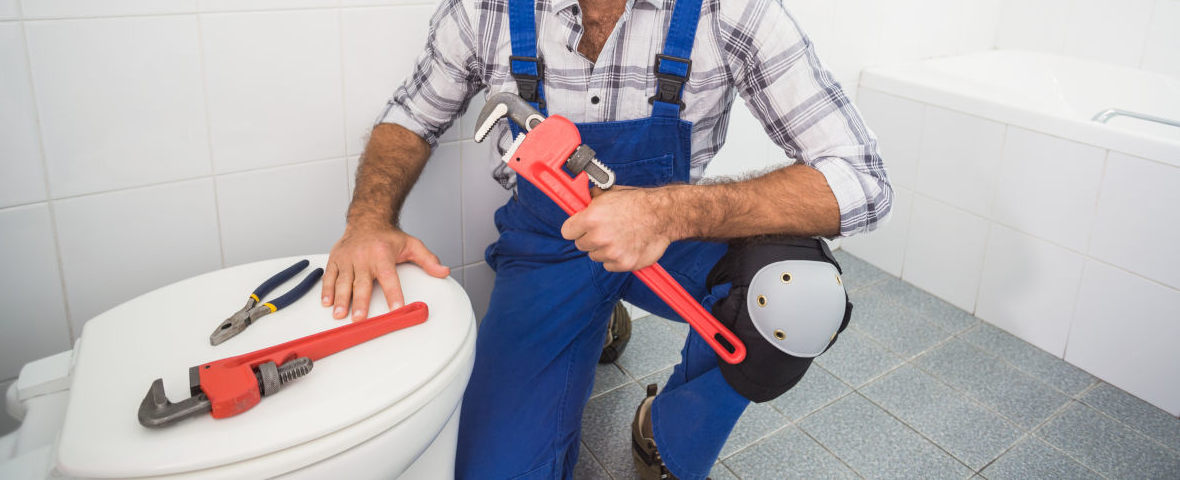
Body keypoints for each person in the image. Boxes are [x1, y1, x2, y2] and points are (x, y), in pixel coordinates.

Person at [322, 0, 892, 478]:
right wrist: (369, 220)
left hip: (671, 234)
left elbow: (863, 178)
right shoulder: (485, 8)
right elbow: (410, 117)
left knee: (800, 294)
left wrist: (666, 213)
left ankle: (664, 435)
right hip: (549, 243)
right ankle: (597, 318)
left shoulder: (731, 9)